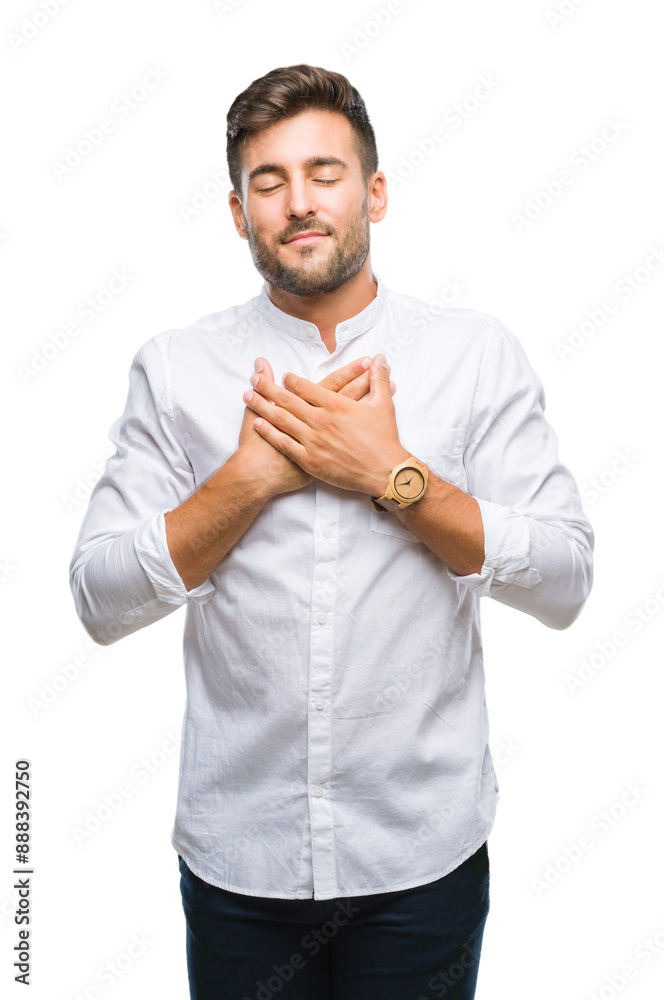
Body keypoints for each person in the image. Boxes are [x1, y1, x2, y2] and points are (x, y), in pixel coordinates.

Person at [69, 63, 594, 1000]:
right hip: (241, 861)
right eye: (267, 182)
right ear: (238, 214)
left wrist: (389, 477)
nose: (298, 202)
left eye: (325, 173)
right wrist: (248, 480)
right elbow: (99, 598)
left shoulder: (473, 356)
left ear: (374, 192)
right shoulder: (176, 367)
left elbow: (563, 579)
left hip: (421, 857)